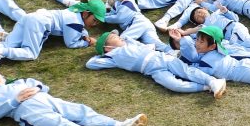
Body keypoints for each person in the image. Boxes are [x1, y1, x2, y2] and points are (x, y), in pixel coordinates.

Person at [0, 66, 145, 126]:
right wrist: (15, 100)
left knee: (80, 111)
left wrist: (38, 89)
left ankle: (118, 125)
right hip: (26, 112)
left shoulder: (20, 81)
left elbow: (41, 85)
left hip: (45, 99)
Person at [0, 0, 107, 74]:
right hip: (39, 24)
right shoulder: (74, 22)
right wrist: (87, 43)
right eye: (94, 20)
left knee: (9, 43)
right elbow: (71, 43)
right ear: (86, 13)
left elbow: (79, 30)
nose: (94, 24)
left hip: (31, 17)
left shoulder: (74, 13)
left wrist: (84, 34)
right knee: (30, 53)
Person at [87, 31, 227, 97]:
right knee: (174, 85)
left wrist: (124, 39)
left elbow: (142, 44)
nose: (119, 37)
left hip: (161, 58)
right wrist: (102, 51)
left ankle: (213, 81)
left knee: (186, 71)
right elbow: (91, 64)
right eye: (114, 38)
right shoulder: (112, 57)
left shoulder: (129, 41)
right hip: (151, 71)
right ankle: (204, 87)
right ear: (107, 47)